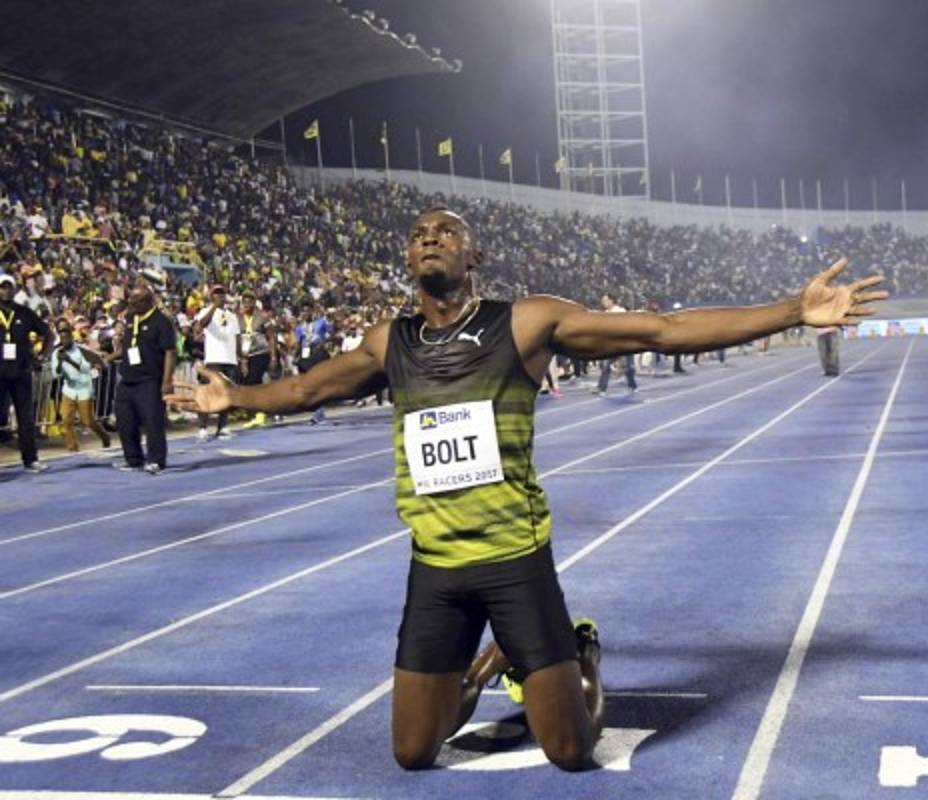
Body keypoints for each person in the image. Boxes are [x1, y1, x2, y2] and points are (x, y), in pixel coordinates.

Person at [168, 206, 886, 772]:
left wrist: (793, 310)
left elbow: (662, 331)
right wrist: (234, 396)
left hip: (515, 558)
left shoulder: (527, 321)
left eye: (447, 233)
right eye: (419, 234)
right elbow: (308, 385)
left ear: (473, 256)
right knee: (413, 753)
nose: (429, 239)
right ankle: (487, 663)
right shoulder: (391, 342)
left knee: (571, 753)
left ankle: (583, 653)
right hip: (437, 567)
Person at [110, 276, 176, 474]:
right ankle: (133, 459)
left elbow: (170, 352)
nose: (130, 304)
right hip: (128, 378)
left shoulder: (162, 322)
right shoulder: (131, 318)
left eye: (134, 302)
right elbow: (128, 347)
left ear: (147, 302)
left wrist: (166, 380)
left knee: (153, 421)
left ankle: (156, 460)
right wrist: (109, 356)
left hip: (149, 379)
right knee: (124, 421)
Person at [0, 272, 54, 472]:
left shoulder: (24, 312)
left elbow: (48, 334)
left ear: (14, 289)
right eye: (2, 287)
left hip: (20, 373)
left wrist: (42, 356)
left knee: (26, 419)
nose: (5, 290)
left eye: (8, 286)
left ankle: (30, 459)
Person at [50, 318, 111, 451]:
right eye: (62, 337)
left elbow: (86, 368)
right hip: (69, 389)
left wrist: (69, 360)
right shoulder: (56, 353)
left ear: (71, 336)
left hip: (84, 388)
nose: (64, 340)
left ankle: (104, 436)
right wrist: (60, 362)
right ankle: (72, 448)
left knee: (88, 421)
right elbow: (56, 374)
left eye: (66, 336)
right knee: (66, 420)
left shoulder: (81, 350)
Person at [193, 285, 241, 440]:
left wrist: (241, 358)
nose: (220, 296)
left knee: (226, 395)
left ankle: (223, 426)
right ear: (211, 296)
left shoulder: (232, 316)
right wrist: (214, 307)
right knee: (208, 394)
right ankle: (202, 427)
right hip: (214, 359)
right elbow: (200, 326)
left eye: (222, 293)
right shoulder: (205, 311)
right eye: (216, 294)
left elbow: (237, 337)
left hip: (230, 359)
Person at [237, 290, 278, 429]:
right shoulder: (238, 319)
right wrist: (241, 358)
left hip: (261, 353)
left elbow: (271, 337)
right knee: (247, 383)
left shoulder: (262, 317)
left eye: (250, 301)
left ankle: (260, 414)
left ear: (255, 303)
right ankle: (257, 412)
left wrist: (273, 357)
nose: (247, 304)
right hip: (246, 355)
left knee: (254, 380)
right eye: (245, 301)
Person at [592, 292, 638, 397]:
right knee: (605, 366)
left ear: (612, 300)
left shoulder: (620, 311)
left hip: (624, 343)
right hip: (610, 344)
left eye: (605, 300)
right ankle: (601, 388)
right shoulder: (605, 313)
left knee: (627, 367)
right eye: (602, 301)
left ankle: (632, 385)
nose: (603, 303)